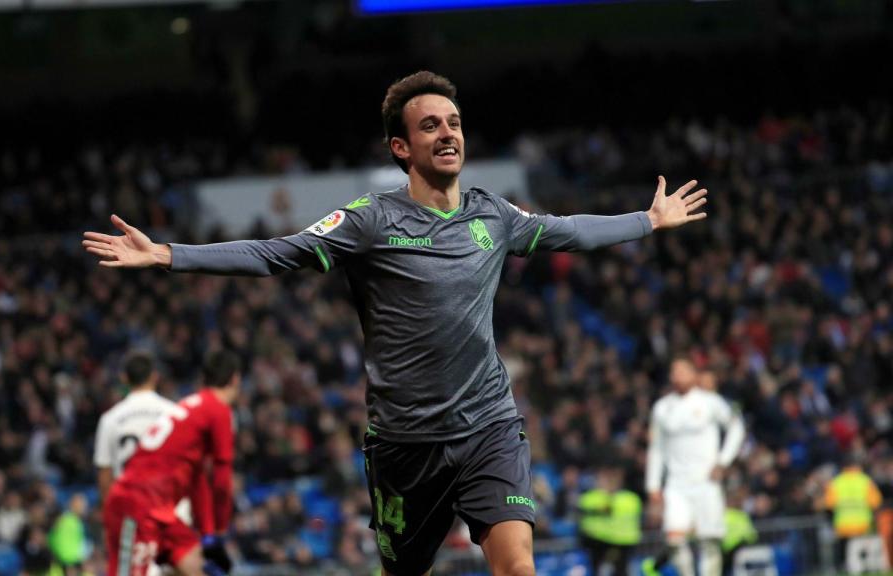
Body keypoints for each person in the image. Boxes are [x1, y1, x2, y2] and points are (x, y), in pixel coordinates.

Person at [83, 70, 708, 576]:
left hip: (488, 425)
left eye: (455, 123)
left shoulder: (494, 214)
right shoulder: (368, 221)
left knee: (517, 566)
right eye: (430, 125)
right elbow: (277, 253)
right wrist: (168, 254)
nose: (448, 133)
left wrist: (646, 221)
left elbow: (569, 231)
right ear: (401, 147)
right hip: (405, 445)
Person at [102, 351, 241, 576]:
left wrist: (208, 535)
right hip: (137, 505)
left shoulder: (191, 405)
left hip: (160, 510)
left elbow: (198, 479)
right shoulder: (218, 410)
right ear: (235, 379)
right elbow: (222, 478)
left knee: (199, 569)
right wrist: (221, 527)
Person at [643, 359, 745, 576]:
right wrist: (653, 484)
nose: (678, 375)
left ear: (694, 374)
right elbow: (656, 448)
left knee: (709, 542)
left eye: (683, 370)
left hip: (706, 483)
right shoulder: (662, 408)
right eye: (674, 371)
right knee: (674, 539)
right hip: (676, 485)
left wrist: (722, 462)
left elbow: (737, 428)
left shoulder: (710, 402)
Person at [93, 350, 177, 501]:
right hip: (167, 505)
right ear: (154, 376)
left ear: (124, 378)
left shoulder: (110, 419)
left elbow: (105, 474)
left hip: (129, 507)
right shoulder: (175, 414)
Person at [578, 466, 642, 576]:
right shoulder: (591, 497)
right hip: (598, 541)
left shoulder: (631, 498)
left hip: (623, 542)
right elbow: (585, 505)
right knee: (599, 570)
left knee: (620, 570)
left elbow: (608, 508)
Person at [824, 456, 883, 570]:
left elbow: (829, 504)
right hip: (863, 523)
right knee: (864, 550)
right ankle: (867, 568)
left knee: (846, 551)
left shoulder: (836, 482)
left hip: (843, 524)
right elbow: (876, 502)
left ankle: (845, 568)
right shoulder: (865, 481)